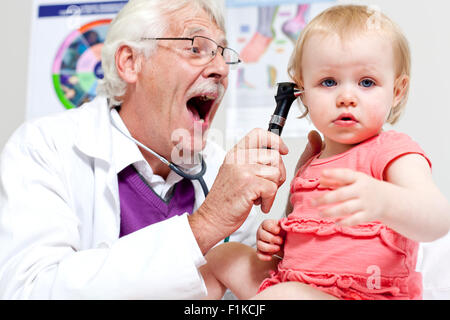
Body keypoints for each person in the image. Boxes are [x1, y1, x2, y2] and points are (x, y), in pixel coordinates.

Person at [0, 0, 296, 299]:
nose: (220, 69)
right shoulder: (45, 147)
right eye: (195, 48)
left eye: (222, 53)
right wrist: (206, 224)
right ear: (130, 62)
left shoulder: (224, 172)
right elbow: (28, 290)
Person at [201, 5, 450, 300]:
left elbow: (438, 219)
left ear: (397, 91)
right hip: (297, 285)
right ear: (302, 91)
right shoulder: (311, 163)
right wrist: (279, 240)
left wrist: (384, 201)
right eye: (328, 82)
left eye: (366, 82)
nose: (346, 97)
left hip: (362, 296)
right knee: (222, 256)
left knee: (284, 297)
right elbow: (313, 236)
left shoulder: (393, 151)